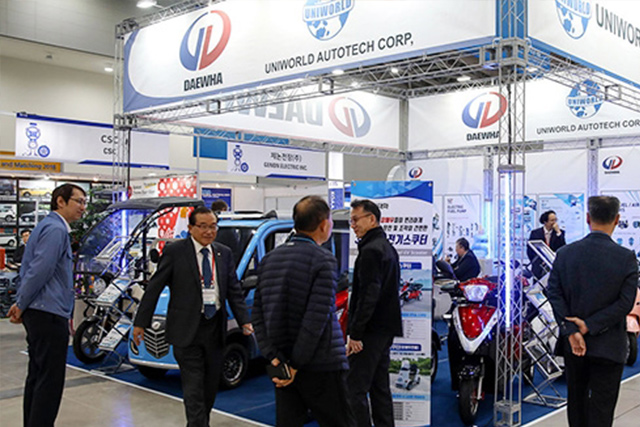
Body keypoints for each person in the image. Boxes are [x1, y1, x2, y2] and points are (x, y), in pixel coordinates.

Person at [132, 206, 253, 427]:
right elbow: (155, 287)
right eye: (203, 226)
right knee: (194, 386)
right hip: (186, 330)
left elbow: (233, 290)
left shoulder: (223, 253)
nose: (209, 231)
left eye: (213, 226)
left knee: (209, 386)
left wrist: (244, 320)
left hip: (214, 328)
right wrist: (141, 323)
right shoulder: (176, 251)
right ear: (190, 228)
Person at [252, 195, 354, 427]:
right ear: (324, 224)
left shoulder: (269, 259)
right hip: (321, 363)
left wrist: (273, 356)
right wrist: (297, 364)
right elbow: (316, 319)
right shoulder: (323, 260)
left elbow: (257, 313)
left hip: (282, 363)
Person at [547, 196, 638, 427]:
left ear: (588, 218)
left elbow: (554, 294)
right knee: (602, 411)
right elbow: (625, 303)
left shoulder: (565, 254)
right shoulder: (626, 258)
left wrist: (572, 330)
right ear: (617, 219)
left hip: (574, 346)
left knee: (576, 407)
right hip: (609, 346)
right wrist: (590, 325)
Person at [8, 183, 86, 427]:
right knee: (49, 381)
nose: (83, 207)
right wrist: (21, 303)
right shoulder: (55, 230)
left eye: (84, 202)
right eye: (78, 201)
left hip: (41, 310)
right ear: (60, 201)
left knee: (38, 376)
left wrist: (23, 302)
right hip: (48, 312)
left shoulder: (48, 226)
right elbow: (40, 269)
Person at [347, 199, 402, 427]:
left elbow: (369, 295)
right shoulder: (386, 247)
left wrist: (356, 333)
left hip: (370, 331)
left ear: (371, 219)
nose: (353, 225)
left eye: (355, 220)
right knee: (380, 388)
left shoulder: (371, 251)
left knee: (354, 390)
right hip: (384, 329)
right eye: (351, 221)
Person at [527, 210, 566, 278]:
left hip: (553, 266)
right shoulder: (535, 233)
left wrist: (558, 233)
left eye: (555, 220)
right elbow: (530, 250)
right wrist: (536, 261)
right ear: (545, 222)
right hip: (539, 266)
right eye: (552, 220)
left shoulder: (559, 233)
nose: (554, 223)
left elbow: (563, 247)